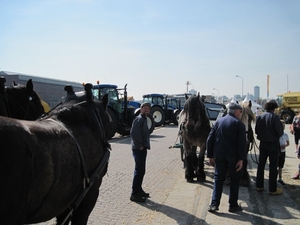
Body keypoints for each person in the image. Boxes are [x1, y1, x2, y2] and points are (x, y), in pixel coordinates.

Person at [207, 102, 247, 213]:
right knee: (234, 180)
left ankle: (214, 205)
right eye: (240, 111)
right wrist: (241, 159)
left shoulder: (218, 122)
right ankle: (233, 205)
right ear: (235, 111)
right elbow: (242, 144)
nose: (240, 113)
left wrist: (210, 155)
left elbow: (210, 139)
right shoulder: (239, 124)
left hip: (219, 156)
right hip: (234, 158)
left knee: (218, 180)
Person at [255, 100, 283, 195]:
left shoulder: (260, 117)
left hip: (263, 144)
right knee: (273, 166)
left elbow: (256, 131)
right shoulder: (275, 117)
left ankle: (259, 186)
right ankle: (272, 189)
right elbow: (279, 132)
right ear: (274, 108)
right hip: (273, 144)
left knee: (261, 165)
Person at [130, 102, 151, 202]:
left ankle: (139, 190)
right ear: (141, 108)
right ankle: (134, 194)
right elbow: (134, 133)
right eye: (145, 108)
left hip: (142, 148)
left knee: (141, 170)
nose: (147, 110)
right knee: (139, 171)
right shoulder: (139, 119)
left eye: (148, 109)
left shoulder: (144, 119)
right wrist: (140, 146)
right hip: (139, 149)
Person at [278, 120, 290, 185]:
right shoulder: (277, 134)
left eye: (284, 126)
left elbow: (288, 143)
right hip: (277, 151)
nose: (283, 127)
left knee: (281, 165)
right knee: (275, 164)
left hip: (283, 151)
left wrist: (285, 145)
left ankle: (280, 177)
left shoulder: (285, 135)